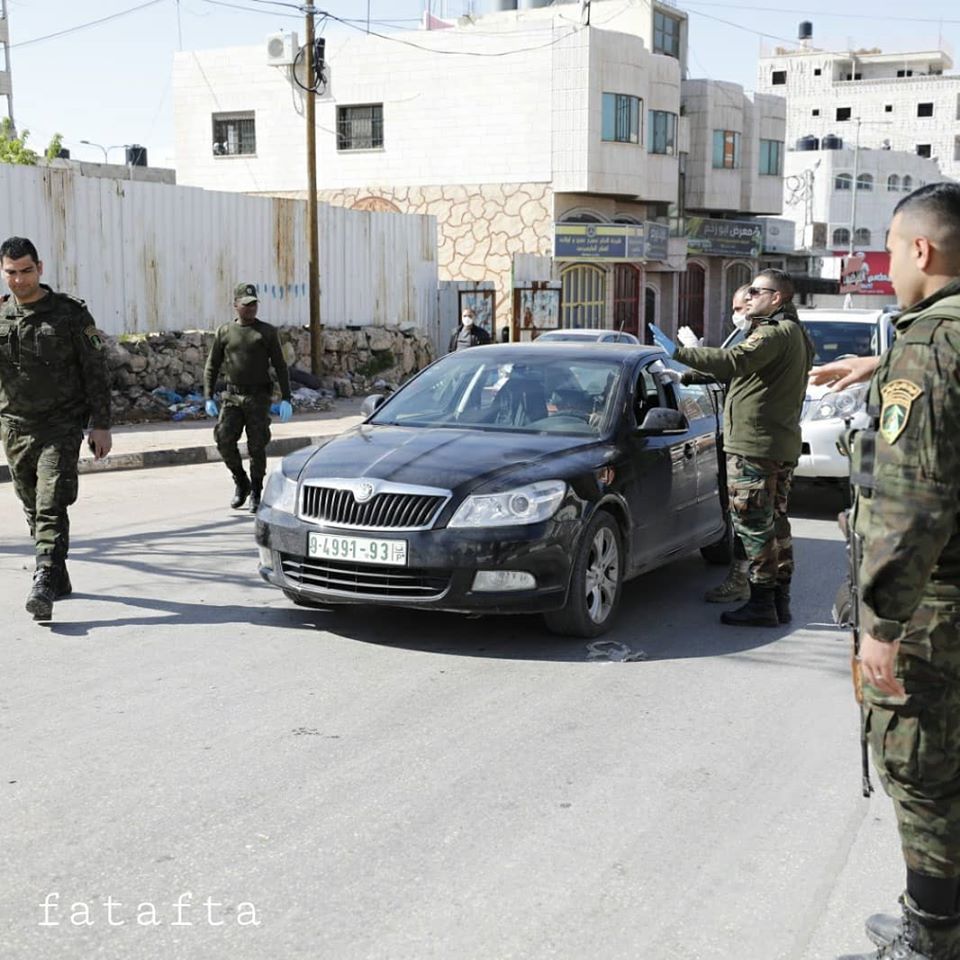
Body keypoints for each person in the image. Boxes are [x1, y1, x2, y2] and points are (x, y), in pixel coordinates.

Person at [836, 182, 960, 960]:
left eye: (889, 249)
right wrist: (881, 364)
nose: (887, 266)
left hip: (935, 607)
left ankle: (931, 939)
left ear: (923, 248)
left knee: (922, 772)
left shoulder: (930, 346)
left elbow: (916, 501)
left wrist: (882, 621)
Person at [650, 269, 815, 627]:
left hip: (755, 445)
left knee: (752, 524)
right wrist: (687, 375)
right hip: (775, 442)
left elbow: (734, 362)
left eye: (757, 291)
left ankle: (762, 603)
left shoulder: (772, 333)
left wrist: (682, 353)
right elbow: (747, 374)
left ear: (777, 298)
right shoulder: (794, 332)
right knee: (775, 524)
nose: (749, 297)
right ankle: (778, 601)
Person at [0, 236, 112, 621]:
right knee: (32, 504)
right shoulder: (1, 314)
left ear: (40, 268)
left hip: (60, 426)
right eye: (11, 272)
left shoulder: (69, 313)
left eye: (26, 271)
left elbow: (95, 371)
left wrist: (101, 425)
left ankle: (44, 578)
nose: (19, 280)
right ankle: (58, 574)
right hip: (15, 427)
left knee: (50, 501)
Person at [203, 282, 292, 513]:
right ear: (235, 305)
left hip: (258, 398)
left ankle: (256, 491)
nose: (251, 308)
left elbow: (280, 366)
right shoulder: (225, 332)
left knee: (256, 447)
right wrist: (208, 397)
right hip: (232, 397)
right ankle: (241, 481)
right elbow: (212, 366)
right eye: (246, 304)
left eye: (253, 304)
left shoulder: (267, 332)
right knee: (224, 440)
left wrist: (287, 398)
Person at [702, 284, 753, 605]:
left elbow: (729, 367)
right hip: (737, 434)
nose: (736, 315)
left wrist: (688, 354)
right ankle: (761, 590)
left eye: (740, 309)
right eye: (734, 309)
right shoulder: (745, 336)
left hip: (749, 442)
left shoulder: (763, 340)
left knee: (748, 515)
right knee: (743, 514)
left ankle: (750, 586)